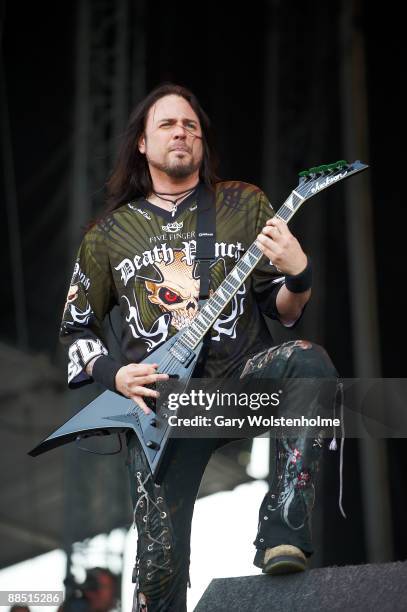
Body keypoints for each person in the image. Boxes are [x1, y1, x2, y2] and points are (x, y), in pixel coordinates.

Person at [60, 83, 340, 611]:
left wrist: (299, 274)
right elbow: (76, 330)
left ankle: (283, 529)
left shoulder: (244, 203)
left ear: (202, 142)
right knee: (159, 574)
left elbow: (280, 309)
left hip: (239, 382)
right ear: (142, 143)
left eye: (190, 126)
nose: (181, 133)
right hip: (162, 408)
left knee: (307, 360)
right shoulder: (107, 235)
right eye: (167, 125)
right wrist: (115, 375)